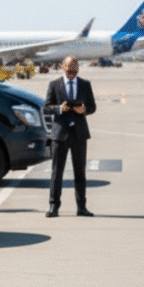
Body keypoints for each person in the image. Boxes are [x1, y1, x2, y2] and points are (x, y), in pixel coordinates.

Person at [44, 55, 96, 217]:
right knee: (57, 172)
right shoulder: (54, 85)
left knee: (80, 172)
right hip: (60, 134)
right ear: (62, 67)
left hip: (79, 135)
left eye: (75, 67)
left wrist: (84, 110)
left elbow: (93, 106)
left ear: (78, 68)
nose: (71, 71)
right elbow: (47, 107)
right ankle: (54, 206)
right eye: (68, 67)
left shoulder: (85, 85)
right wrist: (60, 108)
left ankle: (81, 207)